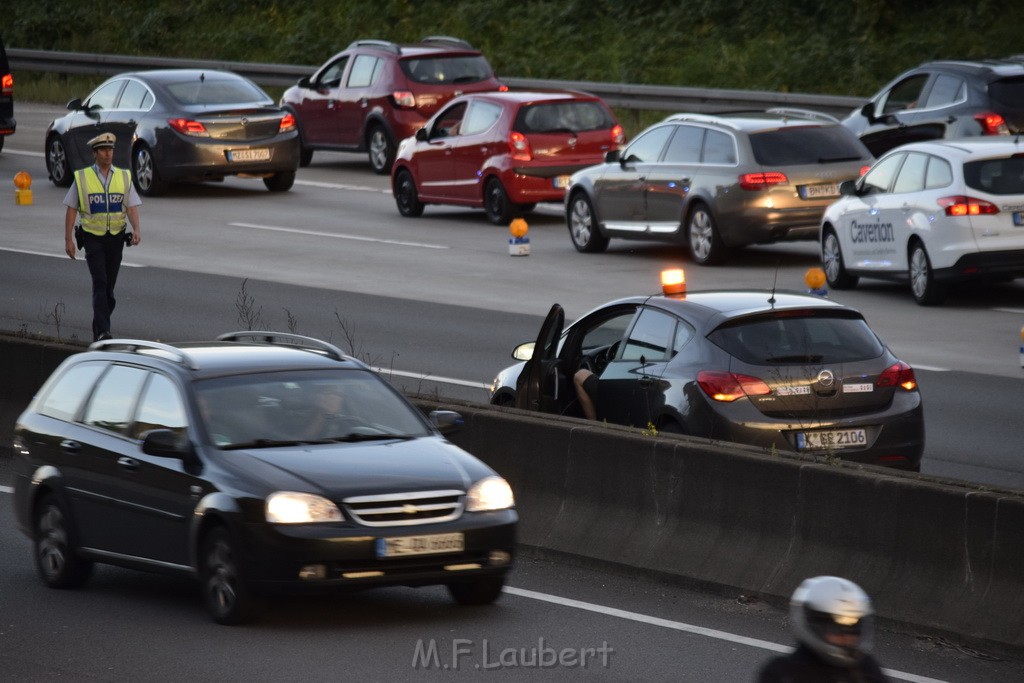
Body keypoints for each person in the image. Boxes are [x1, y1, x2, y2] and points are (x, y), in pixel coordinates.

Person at [63, 132, 142, 342]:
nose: (108, 154)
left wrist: (137, 229)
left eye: (111, 150)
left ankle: (98, 328)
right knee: (100, 282)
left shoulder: (124, 176)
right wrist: (68, 239)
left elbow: (131, 205)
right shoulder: (82, 177)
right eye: (104, 150)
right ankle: (104, 333)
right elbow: (71, 208)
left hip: (116, 239)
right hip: (92, 239)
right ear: (95, 153)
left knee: (108, 291)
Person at [757, 576, 889, 682]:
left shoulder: (867, 668)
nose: (847, 637)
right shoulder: (784, 673)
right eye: (837, 629)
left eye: (854, 629)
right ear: (813, 625)